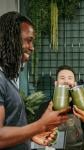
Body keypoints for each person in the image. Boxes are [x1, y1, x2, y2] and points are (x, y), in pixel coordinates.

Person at [0, 11, 69, 150]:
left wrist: (33, 134)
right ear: (12, 39)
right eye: (29, 40)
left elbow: (10, 125)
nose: (32, 47)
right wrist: (41, 125)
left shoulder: (7, 78)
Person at [55, 65, 84, 150]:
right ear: (56, 83)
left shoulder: (82, 106)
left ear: (75, 84)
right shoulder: (46, 107)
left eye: (70, 78)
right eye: (62, 78)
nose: (66, 81)